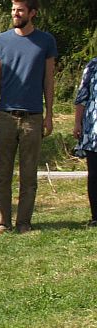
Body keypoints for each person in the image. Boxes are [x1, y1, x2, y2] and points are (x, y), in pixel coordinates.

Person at [0, 0, 57, 235]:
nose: (15, 14)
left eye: (20, 10)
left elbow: (49, 80)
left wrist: (49, 114)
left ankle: (24, 222)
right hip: (6, 115)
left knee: (29, 174)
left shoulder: (46, 41)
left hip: (33, 117)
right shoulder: (1, 40)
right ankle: (2, 223)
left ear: (32, 13)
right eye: (13, 10)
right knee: (2, 173)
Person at [73, 57, 97, 227]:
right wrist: (77, 123)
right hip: (93, 131)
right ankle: (96, 216)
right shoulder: (93, 65)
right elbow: (82, 97)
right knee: (94, 175)